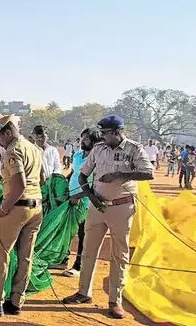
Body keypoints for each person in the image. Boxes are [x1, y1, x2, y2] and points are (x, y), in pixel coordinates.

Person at [62, 115, 153, 319]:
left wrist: (120, 175)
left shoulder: (134, 149)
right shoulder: (98, 149)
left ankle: (115, 301)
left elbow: (148, 173)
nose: (101, 137)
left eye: (105, 133)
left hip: (122, 207)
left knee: (119, 254)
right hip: (97, 206)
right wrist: (91, 196)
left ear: (117, 131)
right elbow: (83, 174)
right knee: (88, 251)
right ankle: (84, 292)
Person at [0, 114, 44, 317]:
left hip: (16, 208)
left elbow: (19, 185)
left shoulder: (13, 151)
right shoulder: (33, 148)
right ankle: (16, 302)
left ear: (8, 131)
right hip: (36, 207)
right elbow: (43, 179)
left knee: (1, 254)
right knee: (25, 257)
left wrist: (4, 208)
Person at [62, 128, 103, 278]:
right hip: (71, 198)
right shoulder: (78, 155)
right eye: (82, 138)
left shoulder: (97, 158)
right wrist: (64, 184)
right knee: (67, 230)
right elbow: (74, 173)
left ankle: (78, 266)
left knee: (82, 233)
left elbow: (93, 182)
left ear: (94, 141)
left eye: (85, 138)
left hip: (86, 201)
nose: (82, 141)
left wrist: (79, 195)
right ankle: (63, 259)